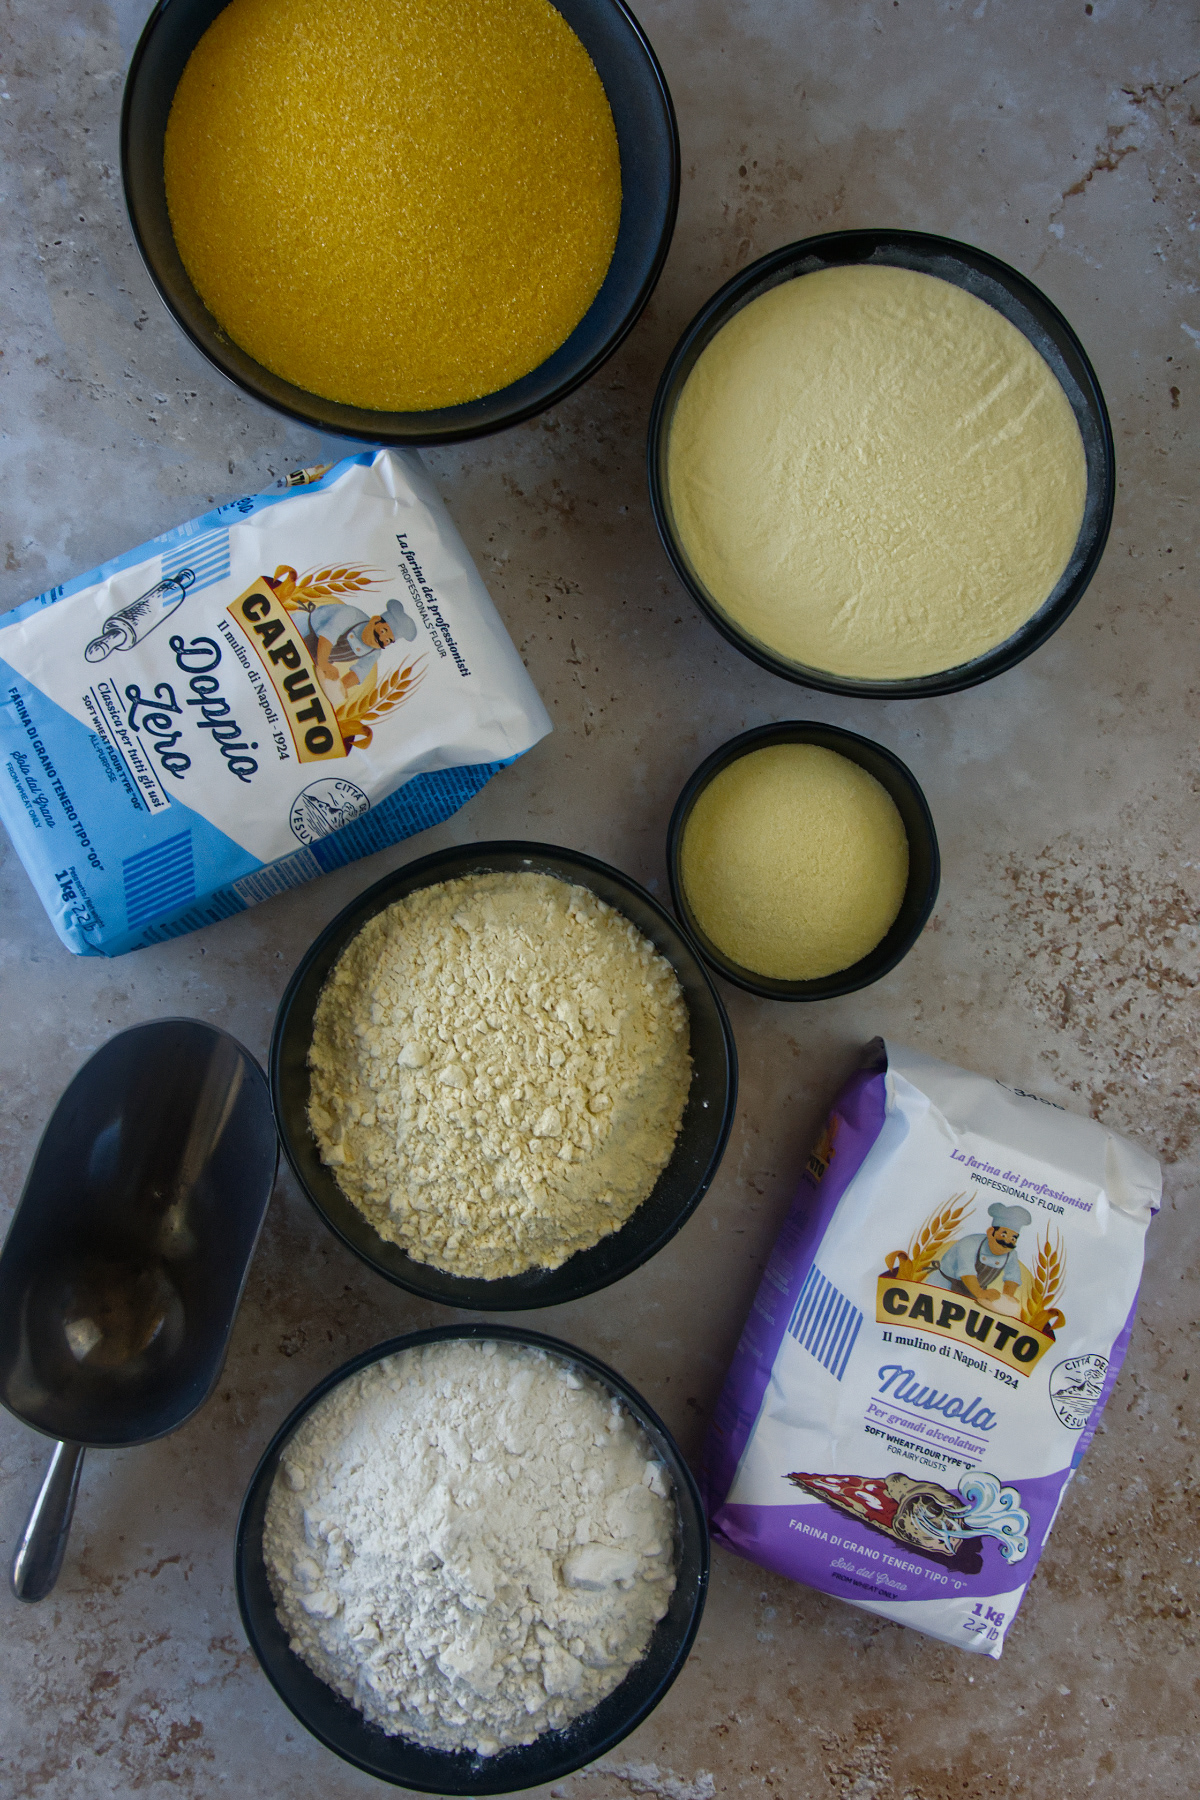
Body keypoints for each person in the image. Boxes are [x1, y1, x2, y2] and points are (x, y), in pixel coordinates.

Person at [302, 597, 417, 704]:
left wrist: (341, 686)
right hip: (302, 632)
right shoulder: (351, 615)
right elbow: (328, 635)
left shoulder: (374, 652)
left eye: (388, 640)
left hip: (317, 658)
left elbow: (360, 671)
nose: (381, 639)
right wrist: (324, 665)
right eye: (383, 631)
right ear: (375, 620)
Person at [925, 1202, 1032, 1315]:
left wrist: (1007, 1297)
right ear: (991, 1233)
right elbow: (966, 1271)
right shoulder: (970, 1243)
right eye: (1004, 1235)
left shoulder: (1011, 1254)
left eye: (1013, 1238)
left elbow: (1012, 1277)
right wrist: (980, 1293)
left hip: (976, 1292)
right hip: (945, 1284)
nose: (1007, 1242)